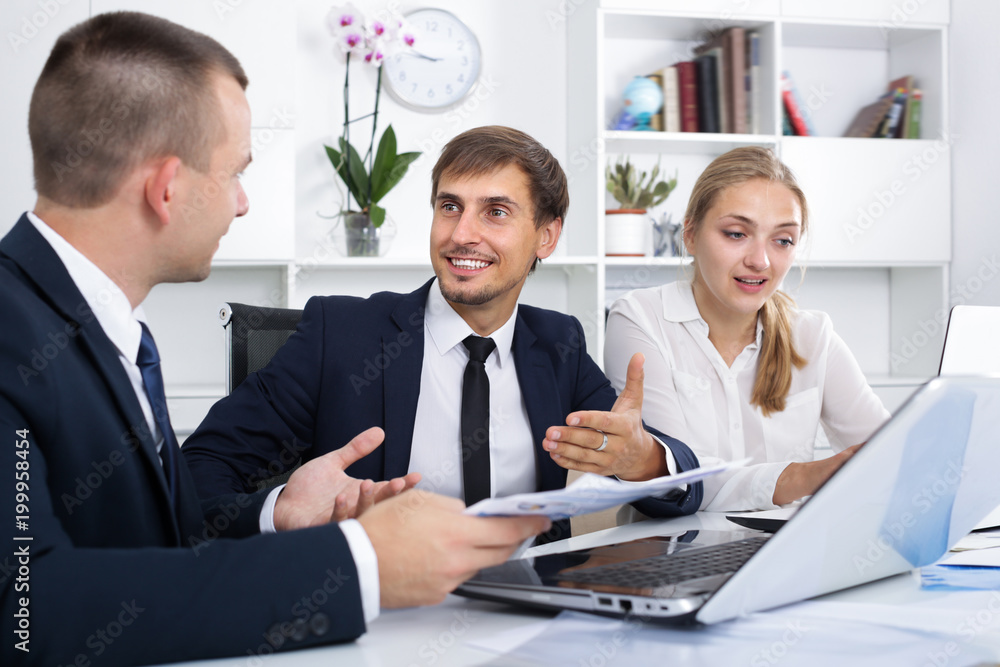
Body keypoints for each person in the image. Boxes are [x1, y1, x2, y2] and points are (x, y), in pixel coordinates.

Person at [0, 13, 550, 667]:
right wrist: (362, 561)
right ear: (167, 187)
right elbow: (26, 610)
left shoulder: (102, 326)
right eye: (236, 173)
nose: (242, 203)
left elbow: (153, 548)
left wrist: (277, 514)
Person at [182, 126, 702, 523]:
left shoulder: (557, 342)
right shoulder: (340, 333)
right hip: (376, 607)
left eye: (495, 212)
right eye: (450, 206)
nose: (462, 234)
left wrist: (646, 460)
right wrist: (279, 512)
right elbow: (200, 471)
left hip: (527, 608)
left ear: (546, 237)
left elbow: (676, 479)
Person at [603, 146, 890, 511]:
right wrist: (803, 477)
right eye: (737, 234)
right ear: (689, 234)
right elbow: (678, 476)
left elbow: (888, 452)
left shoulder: (813, 335)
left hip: (787, 555)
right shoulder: (640, 319)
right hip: (676, 557)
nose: (760, 261)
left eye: (782, 240)